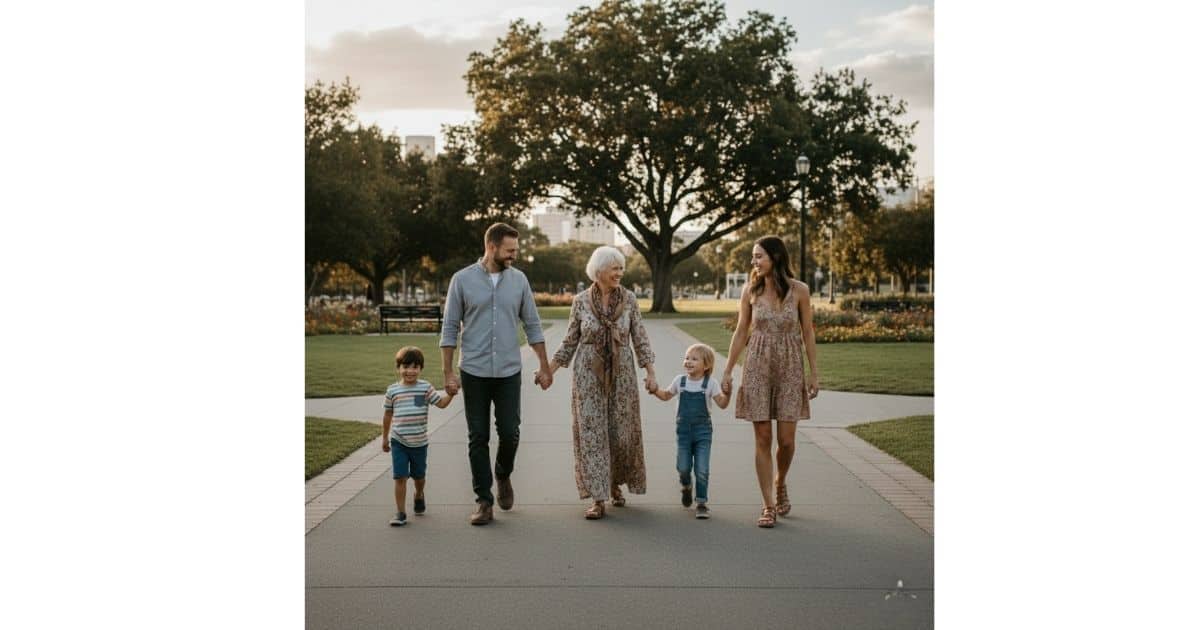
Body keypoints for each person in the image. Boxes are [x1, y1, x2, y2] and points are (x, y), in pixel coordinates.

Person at [440, 223, 552, 526]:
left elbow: (532, 324)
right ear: (491, 247)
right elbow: (450, 327)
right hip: (473, 370)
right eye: (510, 250)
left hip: (507, 371)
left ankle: (503, 474)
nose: (514, 255)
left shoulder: (519, 281)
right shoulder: (461, 280)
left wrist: (544, 365)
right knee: (477, 436)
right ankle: (484, 500)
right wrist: (448, 372)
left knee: (510, 431)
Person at [544, 246, 657, 519]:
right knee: (592, 433)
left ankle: (615, 483)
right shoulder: (581, 301)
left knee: (621, 433)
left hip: (623, 373)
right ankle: (598, 497)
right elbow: (570, 340)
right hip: (587, 374)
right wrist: (549, 370)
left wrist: (650, 373)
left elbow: (639, 337)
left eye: (621, 268)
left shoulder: (629, 299)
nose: (619, 273)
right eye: (614, 268)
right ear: (599, 271)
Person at [722, 236, 820, 528]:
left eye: (758, 257)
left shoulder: (800, 290)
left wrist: (814, 373)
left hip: (790, 367)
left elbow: (808, 333)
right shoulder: (751, 290)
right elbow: (741, 332)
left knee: (787, 442)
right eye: (753, 257)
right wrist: (728, 370)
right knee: (763, 437)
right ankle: (768, 505)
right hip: (757, 367)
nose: (754, 262)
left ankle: (781, 481)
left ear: (775, 257)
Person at [649, 343, 730, 519]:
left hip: (703, 432)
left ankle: (701, 503)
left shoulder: (711, 384)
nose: (688, 361)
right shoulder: (680, 381)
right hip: (683, 432)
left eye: (694, 359)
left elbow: (722, 404)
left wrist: (728, 393)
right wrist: (654, 389)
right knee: (683, 467)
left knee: (702, 469)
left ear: (706, 365)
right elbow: (665, 396)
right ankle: (686, 486)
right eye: (687, 358)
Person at [382, 346, 454, 526]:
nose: (410, 371)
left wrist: (451, 394)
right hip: (398, 440)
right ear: (398, 368)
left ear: (421, 368)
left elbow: (442, 404)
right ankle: (400, 513)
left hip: (419, 443)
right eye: (405, 367)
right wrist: (384, 437)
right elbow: (387, 415)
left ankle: (419, 494)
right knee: (400, 477)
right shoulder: (392, 391)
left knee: (419, 477)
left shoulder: (425, 388)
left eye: (415, 367)